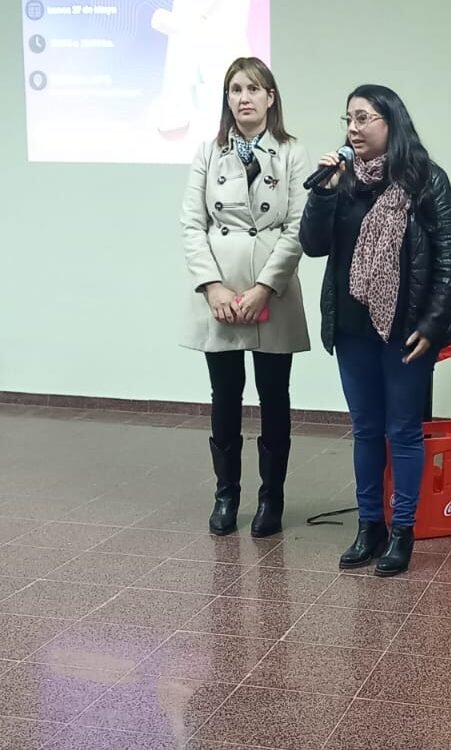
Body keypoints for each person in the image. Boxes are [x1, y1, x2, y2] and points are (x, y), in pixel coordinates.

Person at [299, 84, 451, 577]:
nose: (353, 128)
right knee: (366, 430)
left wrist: (433, 324)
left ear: (391, 122)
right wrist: (323, 194)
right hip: (352, 329)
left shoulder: (426, 180)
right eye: (348, 119)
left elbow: (448, 260)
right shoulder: (342, 181)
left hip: (407, 333)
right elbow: (313, 245)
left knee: (403, 432)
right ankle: (369, 525)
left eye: (363, 118)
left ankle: (402, 530)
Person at [180, 57, 311, 538]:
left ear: (270, 98)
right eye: (235, 89)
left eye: (254, 89)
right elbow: (191, 224)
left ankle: (271, 497)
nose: (244, 98)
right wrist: (212, 286)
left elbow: (298, 227)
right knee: (224, 395)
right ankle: (226, 494)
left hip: (272, 288)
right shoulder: (208, 151)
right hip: (220, 290)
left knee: (274, 395)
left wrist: (264, 288)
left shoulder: (292, 152)